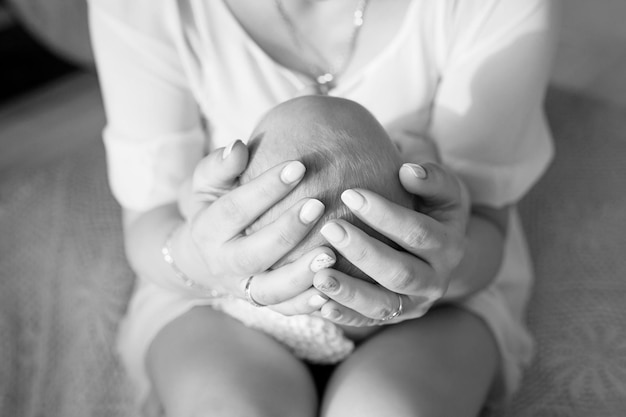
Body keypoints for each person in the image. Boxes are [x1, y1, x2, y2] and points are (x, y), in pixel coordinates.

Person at [88, 0, 558, 416]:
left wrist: (439, 267)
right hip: (217, 298)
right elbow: (150, 223)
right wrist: (201, 257)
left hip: (438, 297)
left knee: (392, 409)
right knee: (227, 407)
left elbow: (485, 226)